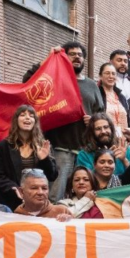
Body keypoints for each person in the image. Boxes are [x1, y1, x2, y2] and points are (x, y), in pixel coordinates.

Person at [44, 42, 105, 202]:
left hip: (86, 150)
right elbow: (31, 82)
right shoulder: (55, 80)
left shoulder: (92, 85)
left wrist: (93, 121)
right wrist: (49, 59)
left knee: (88, 195)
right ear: (64, 57)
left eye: (80, 55)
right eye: (72, 54)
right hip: (61, 149)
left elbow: (101, 115)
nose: (77, 57)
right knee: (55, 195)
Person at [0, 105, 58, 210]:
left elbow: (52, 175)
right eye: (23, 115)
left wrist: (44, 159)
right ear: (16, 120)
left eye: (31, 116)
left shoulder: (42, 145)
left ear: (35, 121)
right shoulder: (2, 146)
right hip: (9, 203)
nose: (27, 118)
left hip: (36, 203)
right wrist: (16, 189)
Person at [97, 62, 130, 133]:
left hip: (124, 139)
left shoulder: (121, 96)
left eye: (113, 74)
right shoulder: (97, 94)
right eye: (107, 73)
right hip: (105, 138)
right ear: (100, 76)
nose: (111, 76)